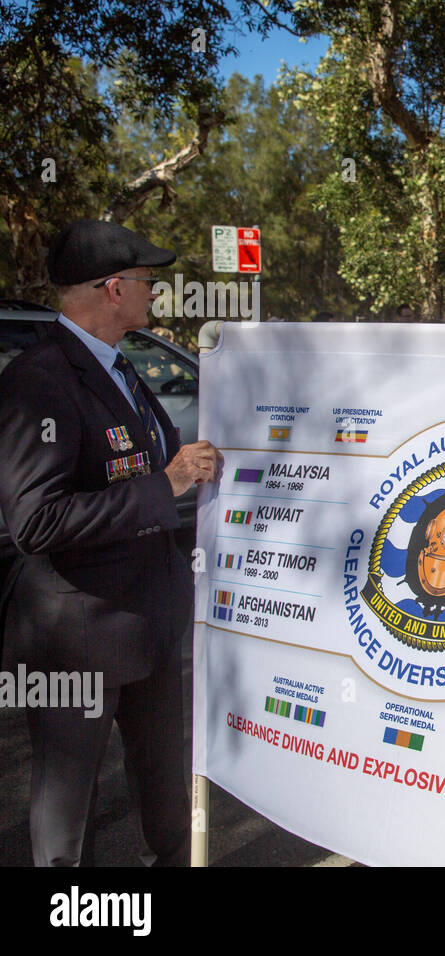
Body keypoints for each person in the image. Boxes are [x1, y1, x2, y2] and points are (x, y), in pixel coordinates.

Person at [0, 220, 222, 866]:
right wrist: (168, 483)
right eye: (148, 283)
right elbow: (36, 522)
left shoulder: (123, 366)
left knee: (166, 791)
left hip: (149, 627)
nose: (156, 294)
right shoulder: (38, 380)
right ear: (113, 288)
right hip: (78, 639)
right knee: (67, 811)